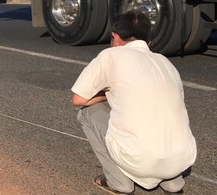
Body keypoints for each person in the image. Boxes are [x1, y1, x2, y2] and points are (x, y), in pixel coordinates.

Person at [71, 11, 196, 195]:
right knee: (161, 114)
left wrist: (107, 94)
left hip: (139, 158)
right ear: (148, 41)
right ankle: (172, 183)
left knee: (86, 112)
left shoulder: (111, 55)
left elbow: (78, 98)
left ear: (115, 37)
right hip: (181, 158)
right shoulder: (165, 63)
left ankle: (119, 183)